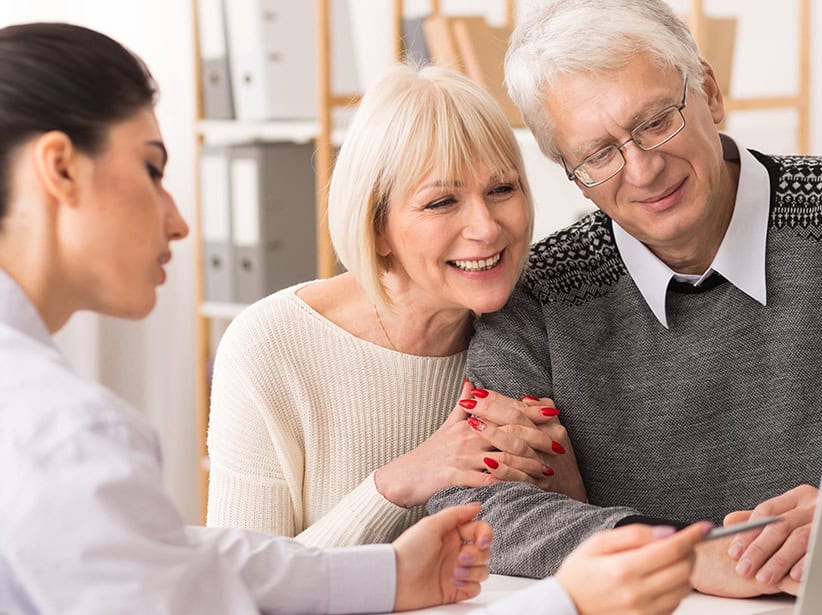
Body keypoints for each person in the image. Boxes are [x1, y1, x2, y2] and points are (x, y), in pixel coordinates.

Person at [0, 22, 494, 614]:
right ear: (59, 168)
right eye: (152, 170)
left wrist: (391, 574)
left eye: (504, 189)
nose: (180, 221)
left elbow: (181, 560)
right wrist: (564, 603)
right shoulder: (64, 433)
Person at [428, 0, 822, 600]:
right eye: (598, 154)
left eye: (657, 121)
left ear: (708, 92)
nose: (643, 169)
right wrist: (680, 552)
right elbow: (476, 506)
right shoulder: (540, 296)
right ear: (568, 171)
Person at [205, 63, 586, 549]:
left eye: (501, 189)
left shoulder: (536, 328)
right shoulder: (269, 346)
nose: (487, 227)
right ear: (377, 227)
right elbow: (239, 587)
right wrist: (396, 486)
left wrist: (567, 488)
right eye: (441, 202)